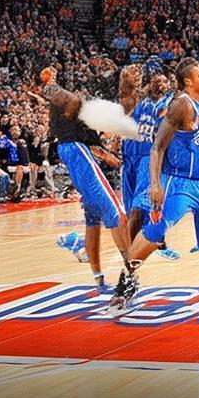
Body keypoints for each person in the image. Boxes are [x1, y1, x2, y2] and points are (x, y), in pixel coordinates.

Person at [105, 58, 199, 318]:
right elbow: (157, 147)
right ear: (188, 81)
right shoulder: (181, 104)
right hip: (180, 182)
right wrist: (155, 183)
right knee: (155, 231)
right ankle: (125, 283)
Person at [28, 66, 134, 294]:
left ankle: (98, 278)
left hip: (72, 151)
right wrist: (50, 84)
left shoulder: (79, 122)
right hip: (75, 151)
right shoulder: (72, 103)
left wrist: (111, 157)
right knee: (116, 212)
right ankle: (132, 272)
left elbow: (95, 147)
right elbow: (67, 99)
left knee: (92, 217)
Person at [118, 66, 179, 258]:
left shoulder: (171, 102)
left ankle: (132, 256)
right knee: (131, 209)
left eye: (164, 80)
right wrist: (126, 79)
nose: (159, 82)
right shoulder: (138, 100)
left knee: (141, 206)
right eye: (156, 79)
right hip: (129, 158)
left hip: (148, 156)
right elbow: (125, 95)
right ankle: (153, 242)